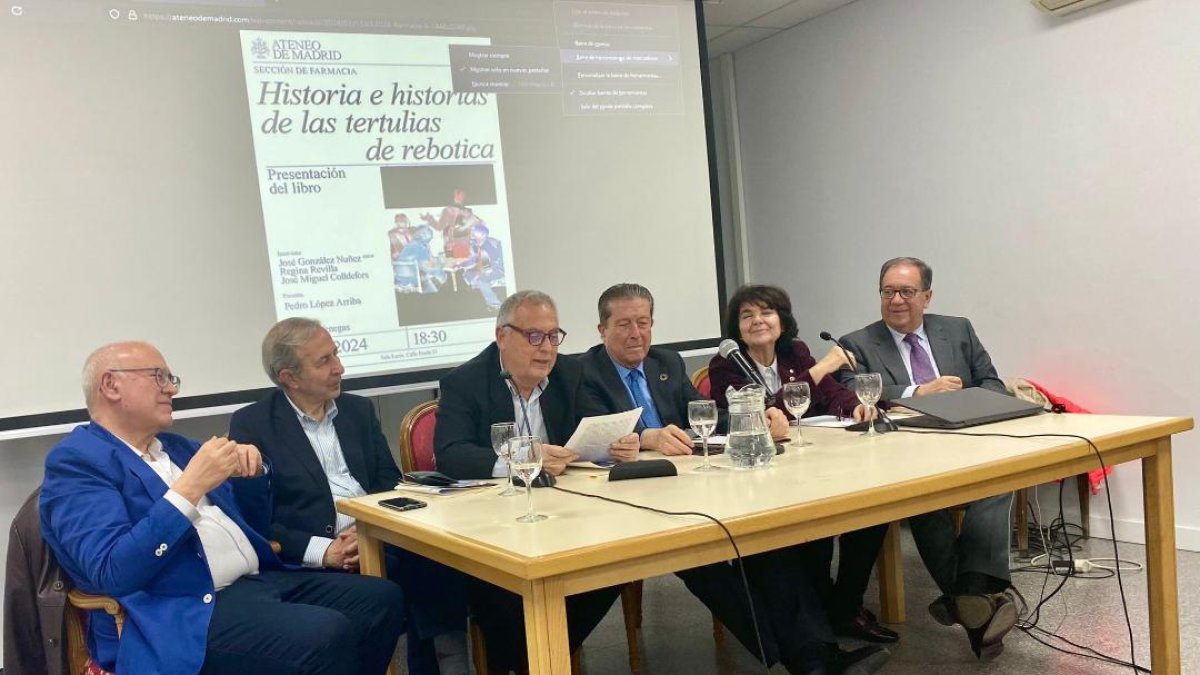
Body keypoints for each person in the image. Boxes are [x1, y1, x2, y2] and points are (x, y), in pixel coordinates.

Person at [39, 341, 405, 675]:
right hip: (182, 609)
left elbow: (255, 526)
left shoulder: (177, 447)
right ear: (111, 386)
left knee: (380, 599)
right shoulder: (77, 463)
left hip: (256, 580)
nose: (172, 388)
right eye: (158, 377)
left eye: (171, 378)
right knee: (326, 632)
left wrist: (253, 474)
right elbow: (112, 570)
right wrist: (189, 488)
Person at [580, 283, 890, 675]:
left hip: (691, 485)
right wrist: (646, 437)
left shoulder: (666, 363)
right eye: (623, 324)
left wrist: (752, 418)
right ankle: (806, 660)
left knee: (766, 544)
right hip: (630, 501)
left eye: (643, 322)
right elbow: (585, 431)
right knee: (709, 560)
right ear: (601, 329)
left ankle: (815, 659)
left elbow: (707, 414)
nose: (635, 333)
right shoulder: (585, 372)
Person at [229, 318, 470, 675]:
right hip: (314, 555)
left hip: (374, 535)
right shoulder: (253, 424)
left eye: (336, 354)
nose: (339, 367)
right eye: (324, 361)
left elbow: (388, 482)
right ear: (289, 377)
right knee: (392, 593)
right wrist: (323, 551)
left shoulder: (358, 410)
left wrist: (369, 528)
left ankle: (447, 667)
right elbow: (257, 519)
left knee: (440, 563)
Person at [433, 290, 634, 673]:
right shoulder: (465, 382)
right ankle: (525, 659)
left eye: (553, 336)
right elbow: (452, 453)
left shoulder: (569, 373)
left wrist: (614, 442)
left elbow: (591, 427)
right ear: (502, 336)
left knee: (614, 565)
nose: (546, 349)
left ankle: (536, 656)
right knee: (505, 594)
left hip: (562, 512)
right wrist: (525, 457)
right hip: (495, 521)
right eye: (534, 337)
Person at [836, 257, 1017, 658]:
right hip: (906, 448)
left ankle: (968, 594)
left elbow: (992, 382)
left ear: (927, 296)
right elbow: (851, 390)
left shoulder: (958, 329)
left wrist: (961, 401)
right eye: (887, 292)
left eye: (906, 292)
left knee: (1001, 478)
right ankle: (978, 601)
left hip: (966, 439)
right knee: (923, 499)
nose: (896, 300)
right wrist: (919, 391)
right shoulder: (857, 343)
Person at [709, 284, 898, 645]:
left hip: (810, 462)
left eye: (766, 312)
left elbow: (828, 392)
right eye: (746, 316)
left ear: (782, 319)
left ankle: (842, 606)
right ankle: (828, 611)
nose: (757, 321)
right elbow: (766, 409)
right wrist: (825, 365)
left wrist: (854, 405)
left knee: (872, 514)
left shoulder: (794, 352)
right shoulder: (726, 365)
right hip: (759, 476)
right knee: (813, 527)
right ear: (736, 327)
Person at [457, 222, 505, 311]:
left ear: (484, 234)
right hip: (478, 270)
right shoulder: (471, 245)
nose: (473, 236)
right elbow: (468, 260)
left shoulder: (493, 243)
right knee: (473, 277)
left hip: (495, 269)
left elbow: (496, 261)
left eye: (475, 233)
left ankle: (494, 304)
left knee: (481, 280)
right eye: (472, 234)